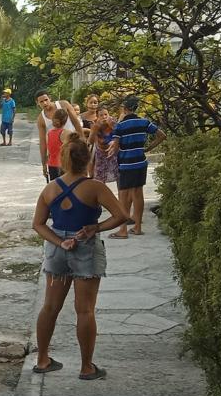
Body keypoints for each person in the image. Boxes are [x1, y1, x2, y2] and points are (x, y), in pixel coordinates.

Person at [32, 133, 130, 380]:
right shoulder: (95, 187)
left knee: (50, 307)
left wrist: (59, 241)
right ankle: (87, 367)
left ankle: (42, 360)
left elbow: (38, 225)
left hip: (57, 250)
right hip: (85, 246)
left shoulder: (50, 189)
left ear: (64, 160)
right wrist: (95, 228)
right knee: (84, 311)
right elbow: (121, 216)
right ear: (88, 160)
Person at [107, 96, 165, 238]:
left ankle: (123, 230)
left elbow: (114, 146)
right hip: (140, 162)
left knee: (124, 196)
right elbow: (162, 135)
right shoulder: (144, 122)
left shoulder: (119, 127)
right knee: (138, 194)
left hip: (126, 164)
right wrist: (148, 148)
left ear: (125, 109)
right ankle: (137, 227)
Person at [35, 92, 81, 181]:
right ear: (37, 103)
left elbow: (77, 124)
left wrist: (83, 143)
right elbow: (43, 142)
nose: (44, 103)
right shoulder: (41, 119)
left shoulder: (63, 105)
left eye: (46, 100)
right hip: (56, 157)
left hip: (72, 150)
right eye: (41, 102)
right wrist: (44, 164)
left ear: (50, 98)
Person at [89, 106, 119, 185]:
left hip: (114, 154)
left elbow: (120, 136)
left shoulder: (114, 122)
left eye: (106, 114)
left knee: (120, 178)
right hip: (101, 154)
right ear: (97, 117)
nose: (104, 117)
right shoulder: (95, 125)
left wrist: (113, 127)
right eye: (101, 115)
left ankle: (122, 196)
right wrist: (94, 130)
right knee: (99, 181)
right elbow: (90, 141)